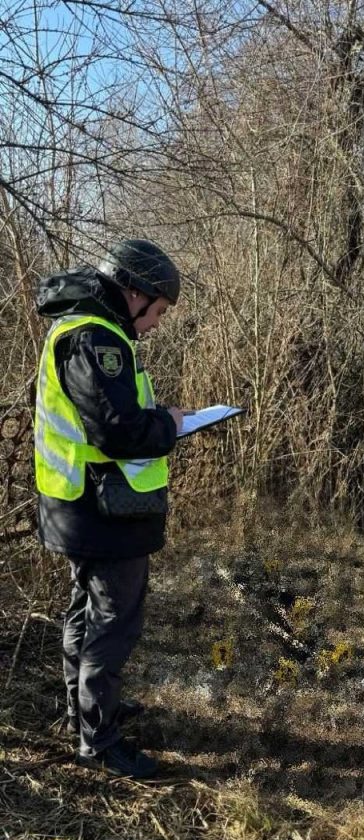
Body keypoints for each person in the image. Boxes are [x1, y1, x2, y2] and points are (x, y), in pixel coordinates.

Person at [34, 239, 184, 779]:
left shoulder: (89, 330)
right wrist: (170, 422)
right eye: (159, 310)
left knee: (87, 611)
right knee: (112, 621)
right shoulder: (95, 339)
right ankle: (98, 739)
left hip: (80, 503)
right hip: (99, 508)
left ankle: (85, 711)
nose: (158, 322)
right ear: (135, 293)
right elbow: (118, 431)